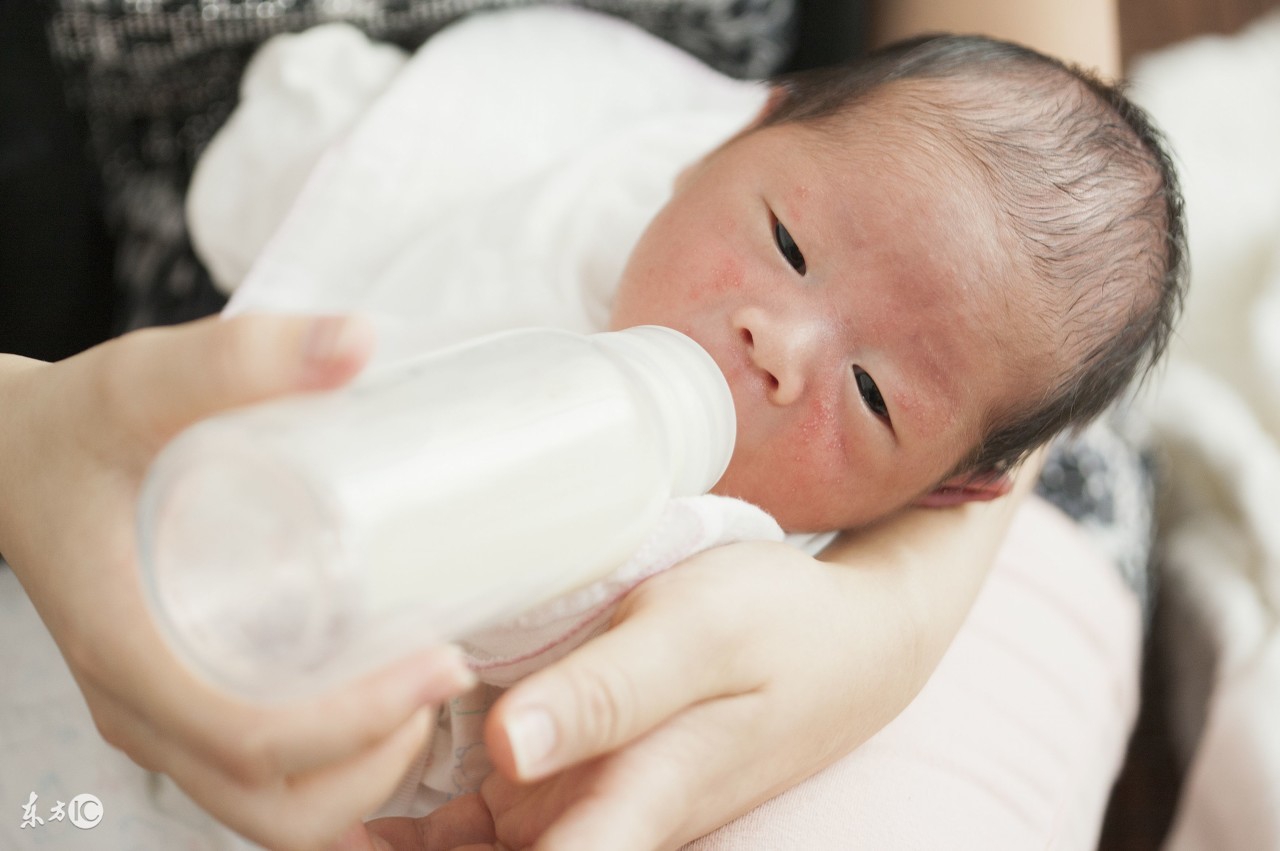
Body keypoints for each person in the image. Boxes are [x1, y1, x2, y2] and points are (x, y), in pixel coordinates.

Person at [0, 1, 1146, 850]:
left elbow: (1032, 206)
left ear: (943, 487)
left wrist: (897, 614)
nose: (780, 346)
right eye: (787, 248)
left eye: (872, 398)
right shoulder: (573, 180)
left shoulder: (730, 554)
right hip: (114, 453)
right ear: (730, 136)